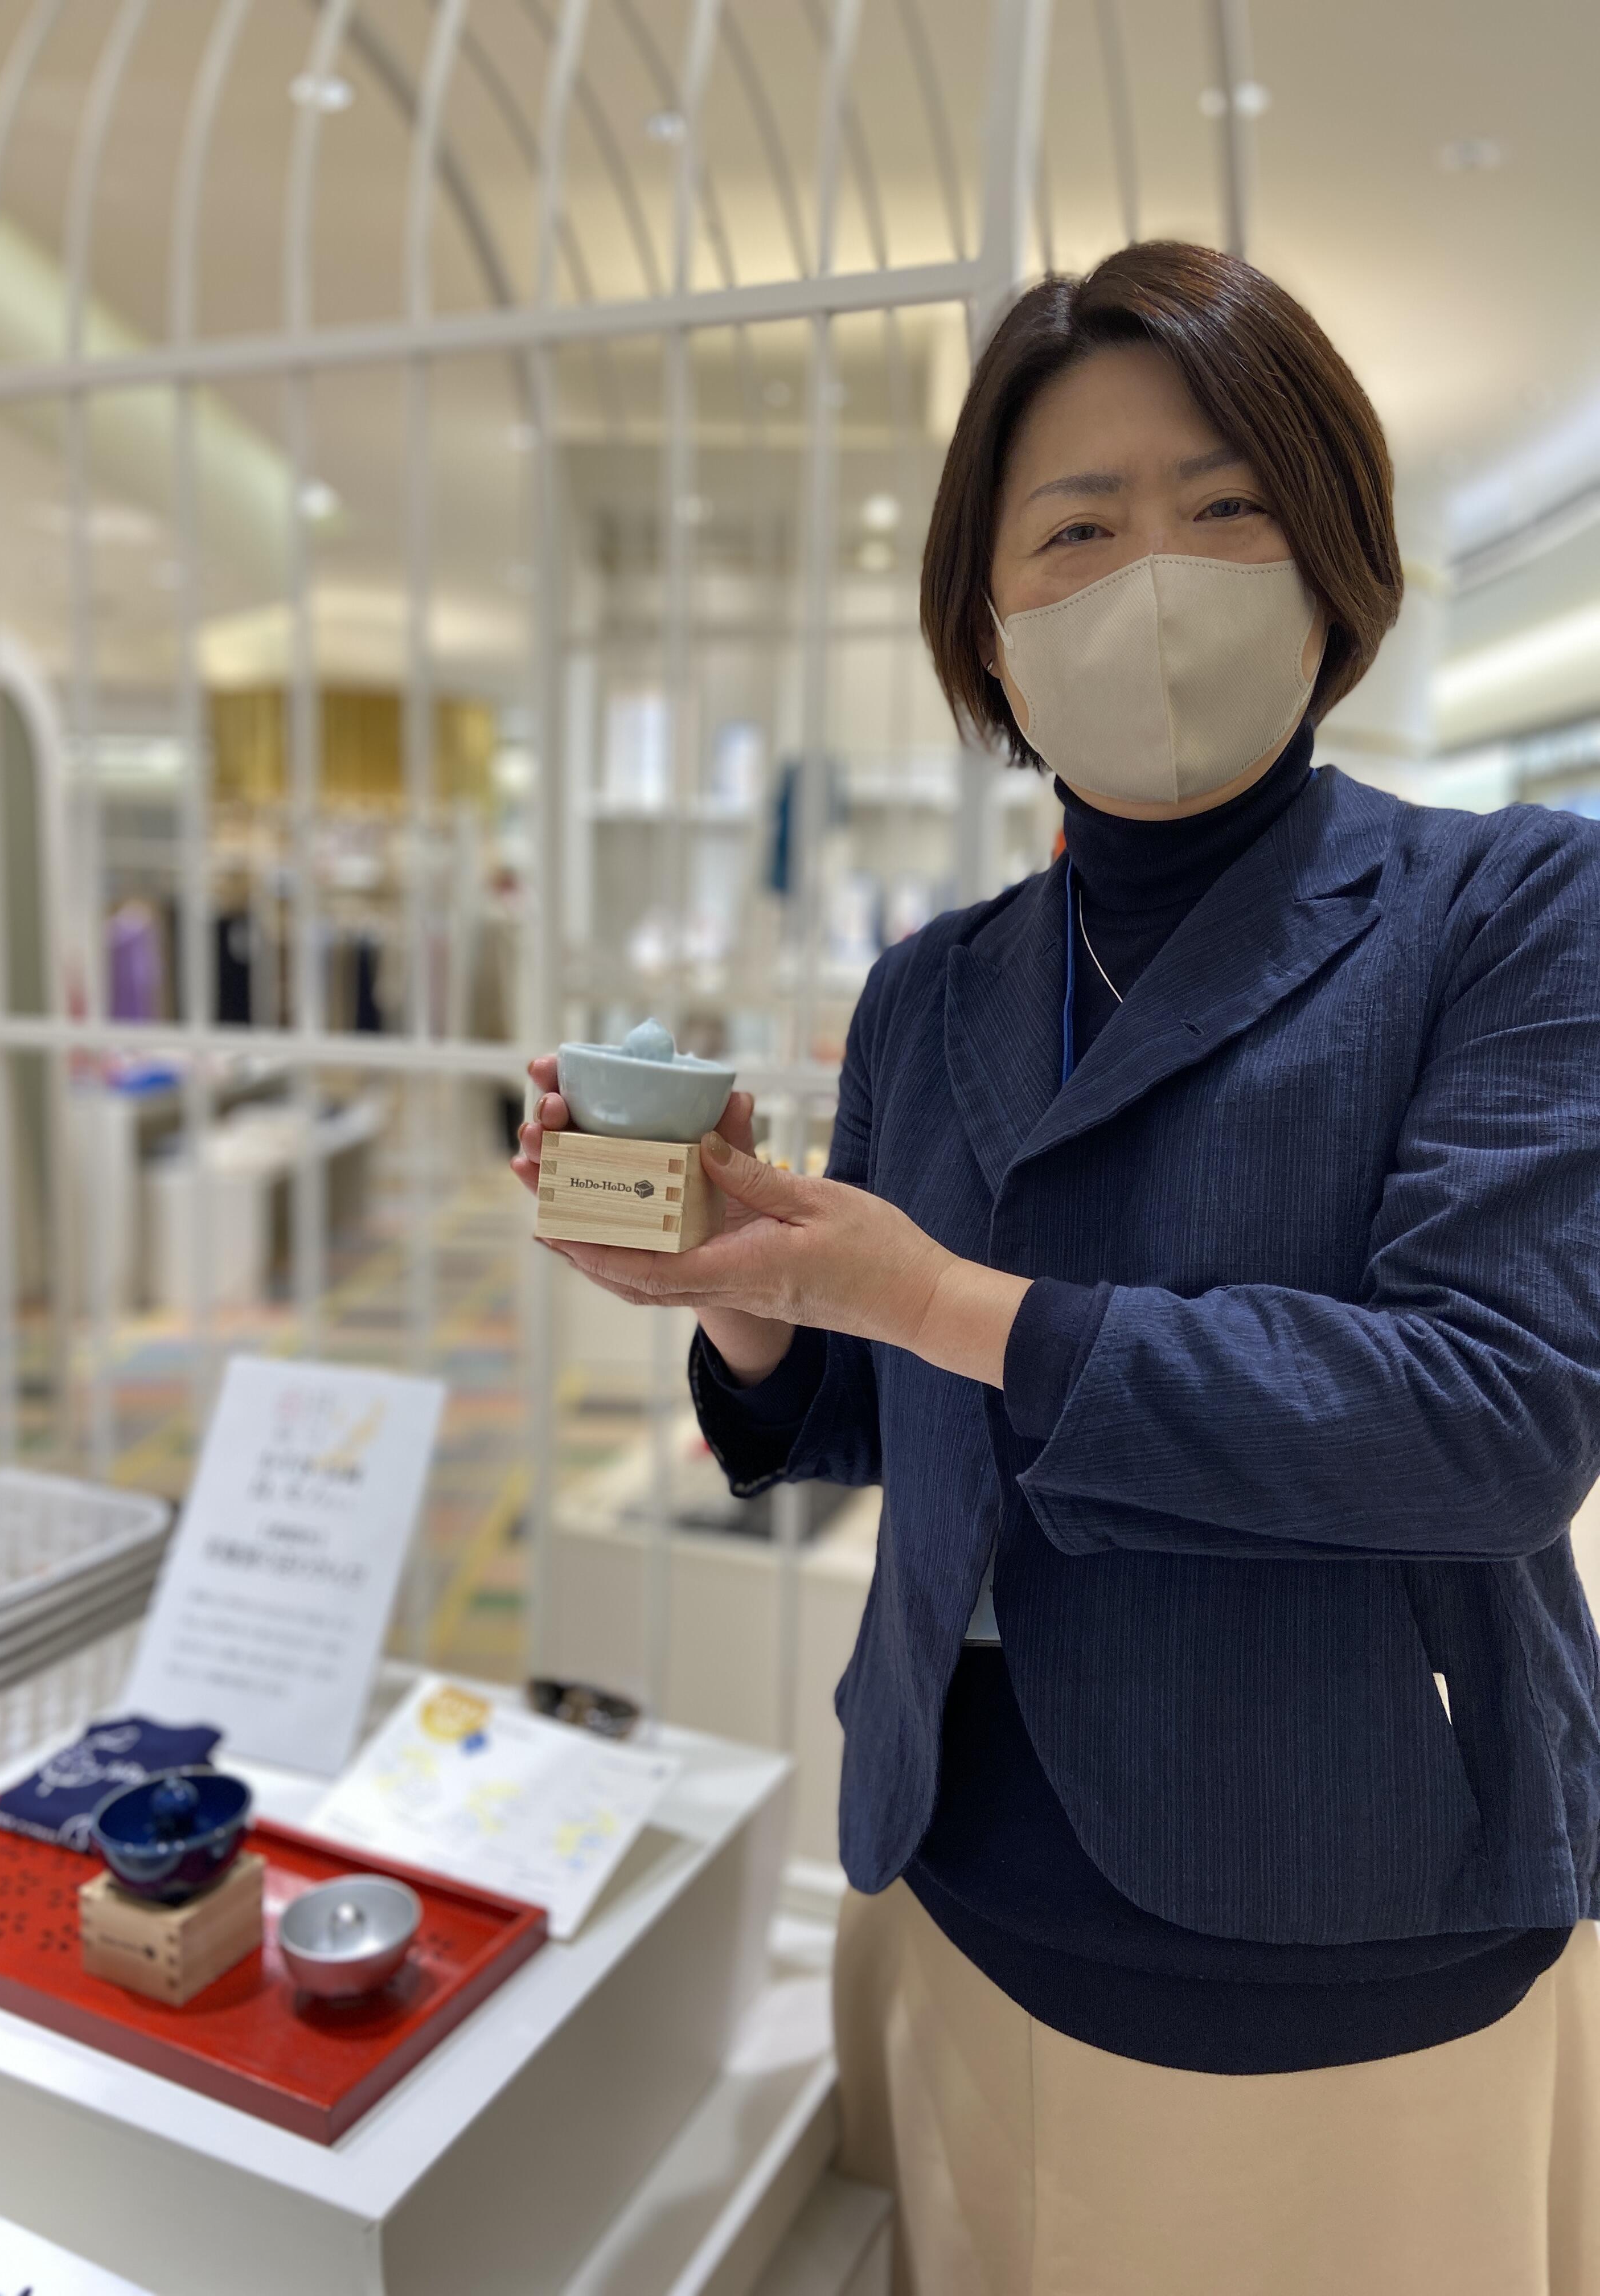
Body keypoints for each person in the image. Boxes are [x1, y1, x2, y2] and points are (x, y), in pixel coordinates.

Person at [513, 241, 1600, 2295]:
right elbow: (878, 1411)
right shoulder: (934, 989)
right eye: (1078, 530)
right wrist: (748, 1291)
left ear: (1334, 559)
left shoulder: (1507, 908)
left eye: (1226, 506)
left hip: (1342, 1909)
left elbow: (1495, 1418)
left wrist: (933, 1295)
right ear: (989, 627)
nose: (1153, 581)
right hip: (957, 1867)